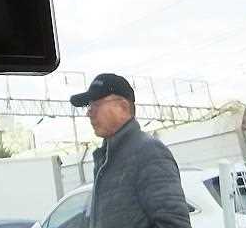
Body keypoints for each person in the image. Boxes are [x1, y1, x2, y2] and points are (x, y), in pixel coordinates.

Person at [69, 73, 192, 228]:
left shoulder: (149, 153)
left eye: (96, 105)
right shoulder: (107, 160)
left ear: (123, 107)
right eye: (89, 106)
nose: (89, 113)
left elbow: (174, 224)